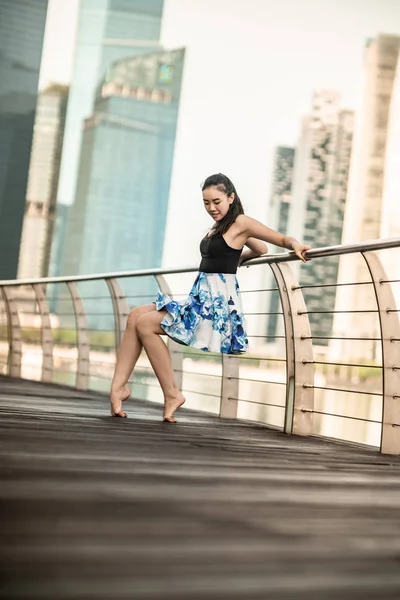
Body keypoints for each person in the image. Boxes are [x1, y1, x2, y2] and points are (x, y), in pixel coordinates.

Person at [110, 173, 311, 422]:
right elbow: (260, 249)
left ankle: (172, 394)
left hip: (214, 308)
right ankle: (118, 388)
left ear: (231, 197)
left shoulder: (241, 222)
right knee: (136, 315)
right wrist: (237, 259)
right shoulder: (222, 226)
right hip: (199, 300)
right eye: (206, 203)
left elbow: (276, 240)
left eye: (216, 201)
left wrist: (295, 245)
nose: (211, 208)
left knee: (145, 324)